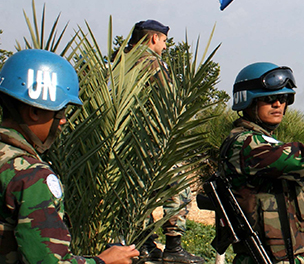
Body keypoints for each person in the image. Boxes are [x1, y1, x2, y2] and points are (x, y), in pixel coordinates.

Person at [0, 49, 140, 264]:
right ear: (35, 111)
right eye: (60, 112)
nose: (63, 121)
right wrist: (104, 261)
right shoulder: (30, 175)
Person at [219, 62, 304, 264]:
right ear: (248, 102)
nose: (278, 104)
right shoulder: (246, 144)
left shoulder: (265, 144)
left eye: (283, 98)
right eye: (269, 99)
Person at [125, 20, 203, 264]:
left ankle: (144, 244)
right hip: (153, 139)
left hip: (128, 141)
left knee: (140, 192)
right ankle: (174, 246)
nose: (166, 46)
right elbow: (169, 99)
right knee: (178, 188)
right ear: (153, 39)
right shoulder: (151, 62)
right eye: (165, 41)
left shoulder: (121, 62)